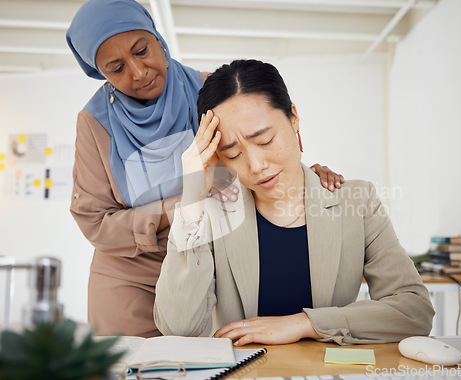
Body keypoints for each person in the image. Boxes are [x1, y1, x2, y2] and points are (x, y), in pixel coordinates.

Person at [66, 0, 344, 337]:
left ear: (159, 40)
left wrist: (304, 176)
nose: (138, 72)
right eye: (116, 68)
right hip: (130, 277)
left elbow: (254, 155)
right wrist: (181, 204)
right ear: (101, 74)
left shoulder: (208, 90)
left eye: (142, 51)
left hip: (209, 262)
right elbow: (95, 222)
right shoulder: (95, 123)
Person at [153, 59, 435, 346]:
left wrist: (305, 324)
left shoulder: (357, 202)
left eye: (264, 140)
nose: (256, 164)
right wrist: (192, 200)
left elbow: (414, 311)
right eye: (233, 154)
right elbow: (179, 329)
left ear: (293, 117)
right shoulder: (211, 215)